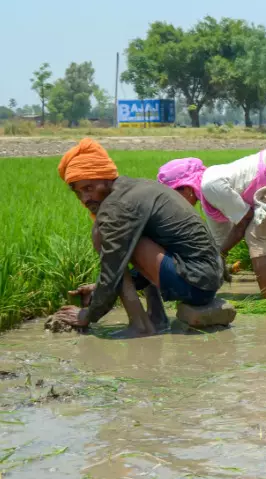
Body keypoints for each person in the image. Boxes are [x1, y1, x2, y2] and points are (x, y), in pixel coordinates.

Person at [50, 139, 224, 337]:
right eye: (78, 193)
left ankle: (140, 326)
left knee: (101, 234)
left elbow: (113, 268)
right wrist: (100, 288)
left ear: (106, 179)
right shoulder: (134, 188)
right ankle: (157, 317)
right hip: (206, 278)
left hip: (196, 284)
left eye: (89, 188)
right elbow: (144, 261)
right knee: (130, 237)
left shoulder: (118, 207)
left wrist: (88, 314)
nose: (84, 199)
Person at [157, 147, 266, 298]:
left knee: (256, 235)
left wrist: (219, 254)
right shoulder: (212, 191)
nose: (174, 203)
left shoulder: (209, 184)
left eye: (173, 195)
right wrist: (217, 260)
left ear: (186, 188)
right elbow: (219, 241)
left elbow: (243, 223)